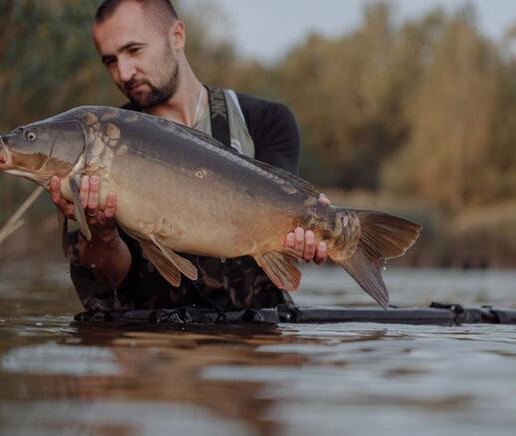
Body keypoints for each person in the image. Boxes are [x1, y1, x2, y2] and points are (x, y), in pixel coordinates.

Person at [50, 0, 330, 312]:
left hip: (254, 344)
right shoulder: (97, 144)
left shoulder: (264, 120)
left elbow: (285, 217)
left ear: (177, 36)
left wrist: (305, 235)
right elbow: (106, 279)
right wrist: (101, 233)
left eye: (134, 51)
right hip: (153, 343)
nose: (124, 73)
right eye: (110, 61)